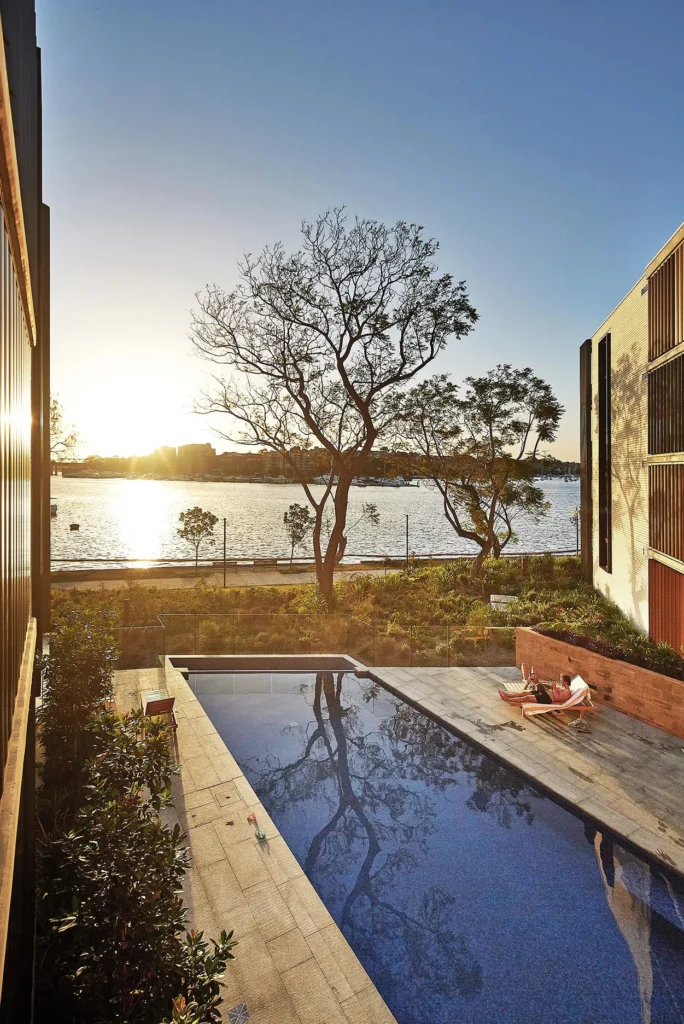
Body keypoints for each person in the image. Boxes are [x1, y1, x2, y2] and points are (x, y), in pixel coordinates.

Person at [499, 673, 573, 707]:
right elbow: (556, 692)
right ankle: (507, 694)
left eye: (561, 680)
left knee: (527, 698)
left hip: (547, 698)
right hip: (545, 693)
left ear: (566, 681)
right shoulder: (563, 689)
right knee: (524, 693)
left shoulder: (567, 692)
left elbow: (557, 698)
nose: (560, 681)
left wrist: (554, 687)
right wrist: (552, 687)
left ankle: (508, 699)